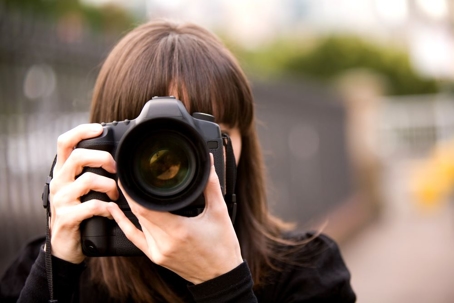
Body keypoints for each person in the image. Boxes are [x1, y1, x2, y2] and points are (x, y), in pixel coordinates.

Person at [0, 20, 356, 303]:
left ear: (243, 143)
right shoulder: (52, 268)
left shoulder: (307, 270)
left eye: (203, 134)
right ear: (104, 146)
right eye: (151, 143)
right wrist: (55, 270)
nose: (171, 163)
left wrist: (224, 283)